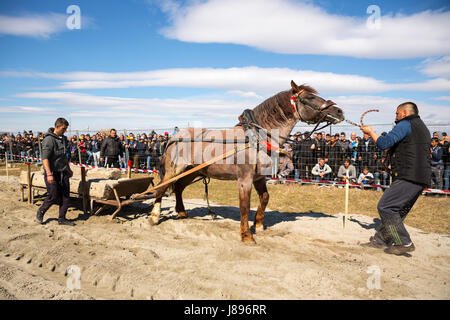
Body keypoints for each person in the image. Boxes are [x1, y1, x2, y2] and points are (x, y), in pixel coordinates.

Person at [360, 102, 431, 256]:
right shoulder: (422, 127)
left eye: (397, 113)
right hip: (420, 176)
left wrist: (370, 131)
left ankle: (404, 242)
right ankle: (380, 240)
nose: (395, 116)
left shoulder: (405, 124)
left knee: (386, 207)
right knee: (395, 213)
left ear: (404, 113)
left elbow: (384, 143)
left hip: (409, 176)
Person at [36, 118, 75, 226]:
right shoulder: (49, 140)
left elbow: (64, 156)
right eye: (63, 128)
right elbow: (45, 158)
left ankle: (62, 218)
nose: (65, 131)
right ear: (57, 127)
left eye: (66, 129)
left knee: (66, 197)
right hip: (53, 172)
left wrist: (68, 169)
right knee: (53, 195)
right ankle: (41, 211)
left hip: (63, 171)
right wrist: (49, 174)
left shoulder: (63, 139)